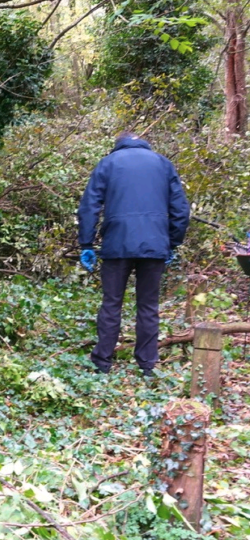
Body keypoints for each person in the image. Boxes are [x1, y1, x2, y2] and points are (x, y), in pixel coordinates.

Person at [78, 131, 190, 378]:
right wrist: (172, 242)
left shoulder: (108, 163)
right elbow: (181, 209)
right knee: (148, 305)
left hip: (117, 244)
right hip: (154, 246)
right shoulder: (163, 163)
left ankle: (102, 362)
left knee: (111, 303)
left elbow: (89, 205)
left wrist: (86, 243)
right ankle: (147, 364)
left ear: (119, 144)